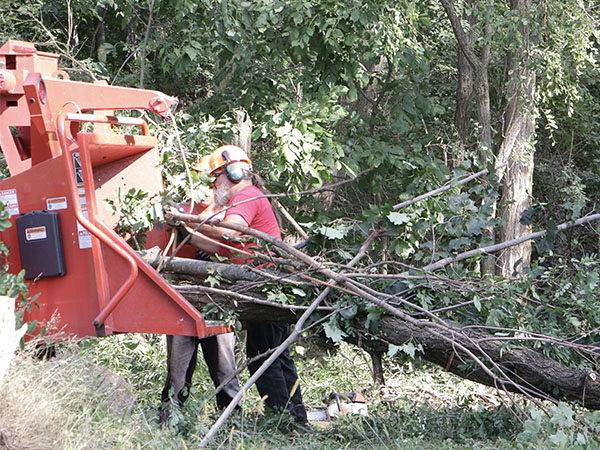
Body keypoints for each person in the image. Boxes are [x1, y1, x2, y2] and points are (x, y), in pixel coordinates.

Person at [183, 144, 307, 422]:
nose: (214, 186)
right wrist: (185, 233)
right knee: (277, 355)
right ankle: (296, 419)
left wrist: (203, 217)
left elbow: (230, 234)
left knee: (265, 357)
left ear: (234, 173)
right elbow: (221, 248)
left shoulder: (247, 197)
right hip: (266, 287)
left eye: (216, 179)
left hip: (264, 288)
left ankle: (282, 422)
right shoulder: (246, 199)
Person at [159, 156, 241, 425]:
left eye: (213, 179)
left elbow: (226, 238)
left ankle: (232, 422)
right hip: (184, 296)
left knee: (225, 367)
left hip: (218, 297)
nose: (209, 185)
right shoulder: (187, 208)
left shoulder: (233, 210)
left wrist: (188, 222)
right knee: (178, 370)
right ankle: (171, 419)